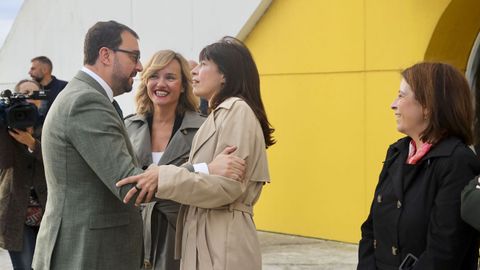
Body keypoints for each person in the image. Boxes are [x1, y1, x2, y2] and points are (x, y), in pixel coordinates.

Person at [32, 20, 244, 270]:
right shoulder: (86, 101)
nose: (140, 66)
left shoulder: (92, 99)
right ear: (105, 55)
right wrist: (206, 169)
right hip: (86, 254)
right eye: (134, 56)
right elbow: (129, 186)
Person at [117, 36, 275, 270]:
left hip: (221, 241)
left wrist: (163, 176)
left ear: (225, 75)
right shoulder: (220, 114)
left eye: (203, 64)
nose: (195, 72)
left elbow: (228, 186)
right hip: (204, 238)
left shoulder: (236, 110)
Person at [357, 62, 480, 270]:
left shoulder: (457, 162)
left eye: (401, 96)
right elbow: (371, 230)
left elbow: (444, 252)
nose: (393, 104)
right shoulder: (397, 152)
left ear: (428, 106)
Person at [125, 50, 205, 269]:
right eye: (154, 76)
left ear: (183, 86)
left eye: (170, 77)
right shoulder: (127, 126)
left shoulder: (204, 128)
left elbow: (210, 176)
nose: (161, 84)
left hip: (182, 234)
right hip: (134, 236)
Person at [0, 79, 47, 269]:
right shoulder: (5, 126)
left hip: (48, 211)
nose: (28, 99)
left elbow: (58, 159)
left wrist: (32, 143)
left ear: (40, 100)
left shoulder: (49, 123)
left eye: (33, 94)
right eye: (23, 94)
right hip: (16, 212)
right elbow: (4, 163)